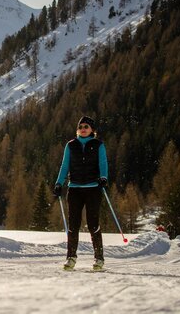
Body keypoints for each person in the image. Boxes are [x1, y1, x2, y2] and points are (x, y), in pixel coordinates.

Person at [53, 116, 108, 271]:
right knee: (73, 225)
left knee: (93, 224)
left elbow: (103, 163)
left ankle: (99, 258)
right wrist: (59, 183)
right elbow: (65, 165)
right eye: (81, 126)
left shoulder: (98, 145)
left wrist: (104, 177)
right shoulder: (71, 145)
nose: (83, 129)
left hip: (93, 188)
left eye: (86, 126)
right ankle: (71, 257)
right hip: (75, 188)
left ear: (92, 130)